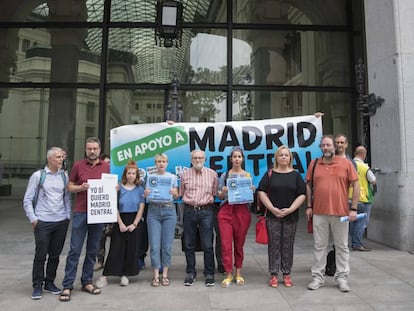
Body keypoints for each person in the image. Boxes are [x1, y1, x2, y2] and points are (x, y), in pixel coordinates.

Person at [305, 134, 360, 293]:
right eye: (323, 145)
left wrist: (354, 208)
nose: (326, 148)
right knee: (319, 246)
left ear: (334, 147)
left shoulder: (345, 163)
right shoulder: (314, 163)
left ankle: (342, 278)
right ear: (320, 147)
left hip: (341, 212)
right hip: (319, 212)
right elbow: (308, 185)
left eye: (328, 145)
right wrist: (309, 206)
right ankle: (318, 277)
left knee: (342, 246)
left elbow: (356, 185)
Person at [59, 137, 110, 302]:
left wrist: (113, 188)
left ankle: (87, 282)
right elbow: (69, 186)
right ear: (86, 149)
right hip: (81, 211)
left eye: (95, 148)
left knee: (92, 250)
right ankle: (67, 285)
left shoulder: (106, 166)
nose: (92, 151)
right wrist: (80, 188)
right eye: (89, 149)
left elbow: (110, 187)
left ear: (100, 150)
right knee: (75, 250)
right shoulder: (78, 166)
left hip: (98, 212)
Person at [23, 147, 71, 300]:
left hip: (60, 221)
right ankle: (37, 285)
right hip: (43, 221)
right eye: (57, 157)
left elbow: (67, 197)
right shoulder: (38, 176)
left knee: (55, 255)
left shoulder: (64, 176)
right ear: (49, 159)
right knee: (41, 255)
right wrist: (33, 219)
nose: (61, 159)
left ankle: (49, 282)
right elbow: (28, 199)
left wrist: (67, 215)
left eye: (61, 157)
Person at [257, 145, 306, 288]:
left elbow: (302, 194)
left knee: (287, 245)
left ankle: (286, 273)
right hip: (273, 216)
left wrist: (290, 209)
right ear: (276, 158)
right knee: (274, 245)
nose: (284, 157)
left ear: (290, 158)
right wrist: (272, 208)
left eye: (286, 155)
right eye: (281, 155)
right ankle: (273, 273)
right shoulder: (270, 174)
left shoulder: (296, 175)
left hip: (291, 216)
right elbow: (261, 191)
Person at [96, 160, 146, 287]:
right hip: (120, 220)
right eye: (129, 173)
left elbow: (141, 208)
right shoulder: (118, 188)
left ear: (136, 175)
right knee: (116, 248)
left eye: (133, 173)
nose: (131, 175)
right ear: (125, 174)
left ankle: (125, 275)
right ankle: (105, 275)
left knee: (131, 249)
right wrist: (121, 224)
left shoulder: (140, 189)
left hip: (134, 220)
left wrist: (134, 224)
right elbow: (114, 206)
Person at [180, 149, 218, 287]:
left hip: (206, 211)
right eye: (195, 158)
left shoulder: (212, 174)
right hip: (189, 211)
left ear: (205, 159)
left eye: (200, 158)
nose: (197, 160)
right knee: (189, 244)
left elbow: (214, 193)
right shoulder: (184, 174)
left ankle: (209, 273)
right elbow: (181, 193)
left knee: (207, 244)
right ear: (191, 160)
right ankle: (190, 272)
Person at [217, 146, 253, 287]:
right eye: (234, 157)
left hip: (242, 212)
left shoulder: (247, 176)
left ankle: (238, 272)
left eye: (239, 156)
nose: (237, 159)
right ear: (231, 159)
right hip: (226, 210)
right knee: (226, 244)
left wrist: (251, 191)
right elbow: (219, 195)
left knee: (239, 244)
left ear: (242, 159)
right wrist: (223, 191)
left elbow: (249, 199)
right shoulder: (224, 176)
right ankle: (228, 273)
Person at [144, 153, 178, 287]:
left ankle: (165, 274)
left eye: (163, 161)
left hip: (169, 210)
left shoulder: (173, 177)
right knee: (154, 245)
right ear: (155, 163)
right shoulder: (150, 177)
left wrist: (175, 193)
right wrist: (146, 194)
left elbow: (177, 195)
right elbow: (147, 194)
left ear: (167, 163)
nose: (161, 164)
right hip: (153, 211)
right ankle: (156, 275)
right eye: (158, 161)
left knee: (167, 246)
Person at [349, 146, 376, 251]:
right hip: (362, 198)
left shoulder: (349, 164)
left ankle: (353, 241)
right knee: (361, 222)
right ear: (363, 154)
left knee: (352, 221)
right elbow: (373, 180)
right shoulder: (364, 167)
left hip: (349, 198)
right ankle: (357, 243)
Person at [94, 153, 112, 271]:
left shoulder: (117, 177)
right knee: (100, 238)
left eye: (109, 163)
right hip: (101, 212)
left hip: (114, 213)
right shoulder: (97, 177)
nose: (107, 165)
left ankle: (112, 262)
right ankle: (100, 261)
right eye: (105, 162)